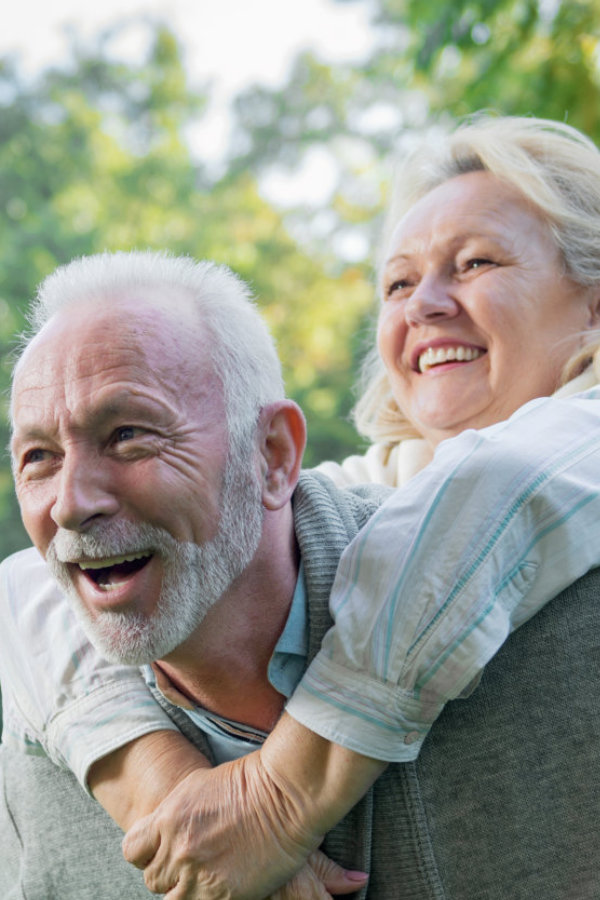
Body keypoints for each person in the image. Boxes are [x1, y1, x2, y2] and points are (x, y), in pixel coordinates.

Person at [2, 113, 600, 897]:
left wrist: (277, 801)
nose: (423, 304)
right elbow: (25, 591)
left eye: (475, 263)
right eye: (397, 282)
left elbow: (503, 484)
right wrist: (164, 788)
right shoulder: (368, 486)